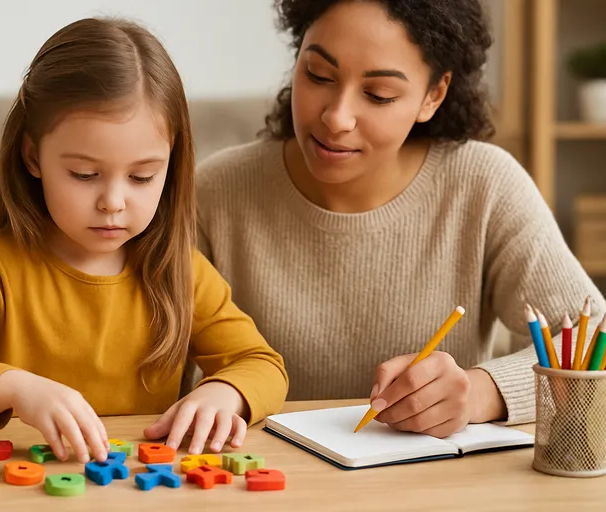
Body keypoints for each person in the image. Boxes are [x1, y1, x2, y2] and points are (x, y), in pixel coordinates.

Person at [0, 17, 288, 464]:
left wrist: (226, 391)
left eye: (142, 176)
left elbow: (262, 364)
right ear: (33, 156)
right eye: (85, 175)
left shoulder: (181, 271)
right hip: (22, 485)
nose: (113, 202)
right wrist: (16, 388)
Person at [195, 0, 604, 438]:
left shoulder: (483, 185)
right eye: (317, 75)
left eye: (379, 95)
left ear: (434, 95)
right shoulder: (216, 190)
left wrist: (480, 392)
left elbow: (594, 342)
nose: (337, 117)